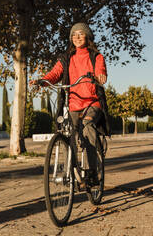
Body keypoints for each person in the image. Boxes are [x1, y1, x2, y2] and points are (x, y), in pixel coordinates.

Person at [30, 22, 109, 184]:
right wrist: (42, 81)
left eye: (81, 34)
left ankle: (91, 171)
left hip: (92, 103)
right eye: (74, 34)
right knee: (68, 132)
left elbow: (101, 70)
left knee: (87, 126)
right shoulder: (66, 58)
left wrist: (100, 75)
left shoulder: (96, 57)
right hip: (73, 103)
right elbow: (54, 73)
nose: (77, 37)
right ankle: (69, 169)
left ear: (88, 37)